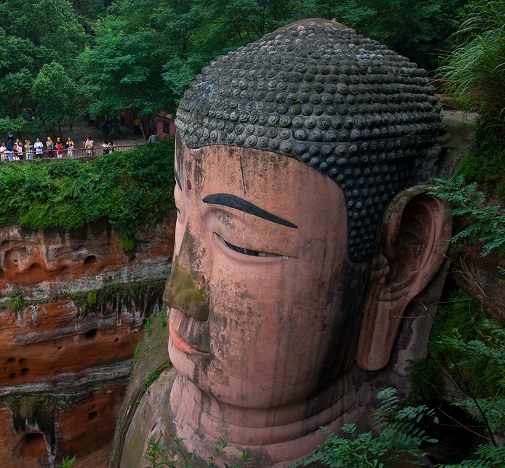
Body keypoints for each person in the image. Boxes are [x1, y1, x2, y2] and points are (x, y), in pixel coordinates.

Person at [115, 19, 451, 467]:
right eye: (181, 212)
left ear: (404, 260)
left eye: (243, 245)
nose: (177, 293)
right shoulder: (152, 398)